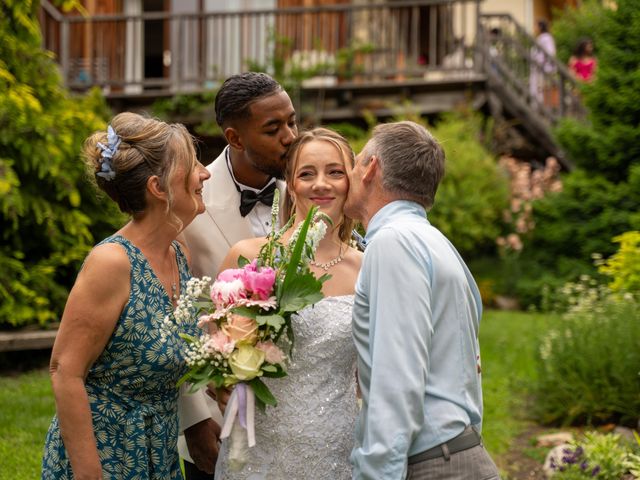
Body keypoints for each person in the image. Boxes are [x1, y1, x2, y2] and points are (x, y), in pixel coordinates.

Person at [41, 112, 211, 479]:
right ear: (159, 188)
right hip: (108, 455)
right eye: (193, 166)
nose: (205, 174)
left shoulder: (178, 252)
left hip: (159, 452)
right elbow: (64, 371)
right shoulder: (111, 263)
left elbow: (190, 342)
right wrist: (90, 474)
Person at [344, 121, 500, 479]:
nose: (350, 173)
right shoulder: (435, 243)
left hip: (432, 464)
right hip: (457, 452)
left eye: (354, 162)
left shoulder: (393, 243)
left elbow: (397, 378)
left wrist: (376, 474)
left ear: (371, 168)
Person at [214, 127, 363, 479]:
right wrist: (226, 378)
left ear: (351, 183)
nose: (321, 184)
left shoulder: (368, 269)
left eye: (335, 172)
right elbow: (217, 359)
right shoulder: (250, 258)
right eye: (306, 174)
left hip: (335, 447)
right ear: (291, 186)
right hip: (257, 449)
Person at [179, 72, 297, 479]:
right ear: (235, 137)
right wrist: (193, 421)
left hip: (305, 410)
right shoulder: (190, 205)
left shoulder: (310, 191)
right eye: (274, 128)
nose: (291, 136)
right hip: (220, 414)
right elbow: (174, 316)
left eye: (292, 122)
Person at [529, 19, 557, 106]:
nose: (534, 28)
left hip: (542, 68)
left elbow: (550, 52)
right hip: (537, 68)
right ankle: (537, 106)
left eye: (535, 25)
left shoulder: (546, 38)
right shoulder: (541, 38)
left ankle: (540, 107)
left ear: (540, 27)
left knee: (540, 89)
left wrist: (542, 63)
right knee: (537, 88)